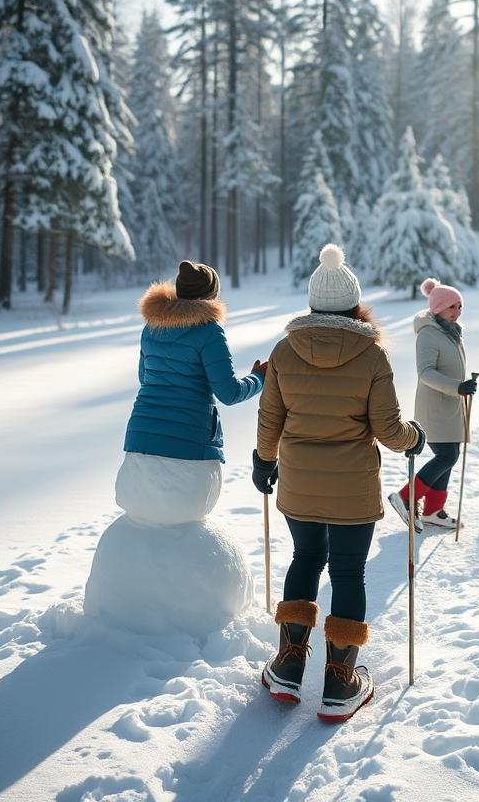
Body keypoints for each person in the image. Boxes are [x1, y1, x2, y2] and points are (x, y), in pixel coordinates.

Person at [254, 245, 424, 722]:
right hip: (351, 488)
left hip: (299, 485)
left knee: (305, 558)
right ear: (355, 305)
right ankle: (340, 684)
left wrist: (263, 461)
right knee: (349, 574)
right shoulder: (372, 357)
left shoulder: (285, 351)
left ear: (312, 306)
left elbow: (270, 418)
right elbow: (390, 432)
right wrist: (416, 437)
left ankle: (288, 667)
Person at [121, 260, 266, 511]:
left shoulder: (152, 326)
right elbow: (229, 393)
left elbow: (145, 378)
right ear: (211, 296)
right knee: (185, 522)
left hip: (140, 438)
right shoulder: (209, 331)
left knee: (145, 521)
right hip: (188, 446)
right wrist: (259, 378)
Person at [389, 277, 476, 533]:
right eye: (452, 306)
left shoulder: (450, 331)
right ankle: (406, 497)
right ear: (438, 308)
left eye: (460, 306)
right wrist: (456, 387)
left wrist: (463, 386)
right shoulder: (428, 333)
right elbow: (425, 372)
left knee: (448, 456)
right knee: (447, 455)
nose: (457, 311)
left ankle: (433, 511)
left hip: (450, 406)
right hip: (435, 407)